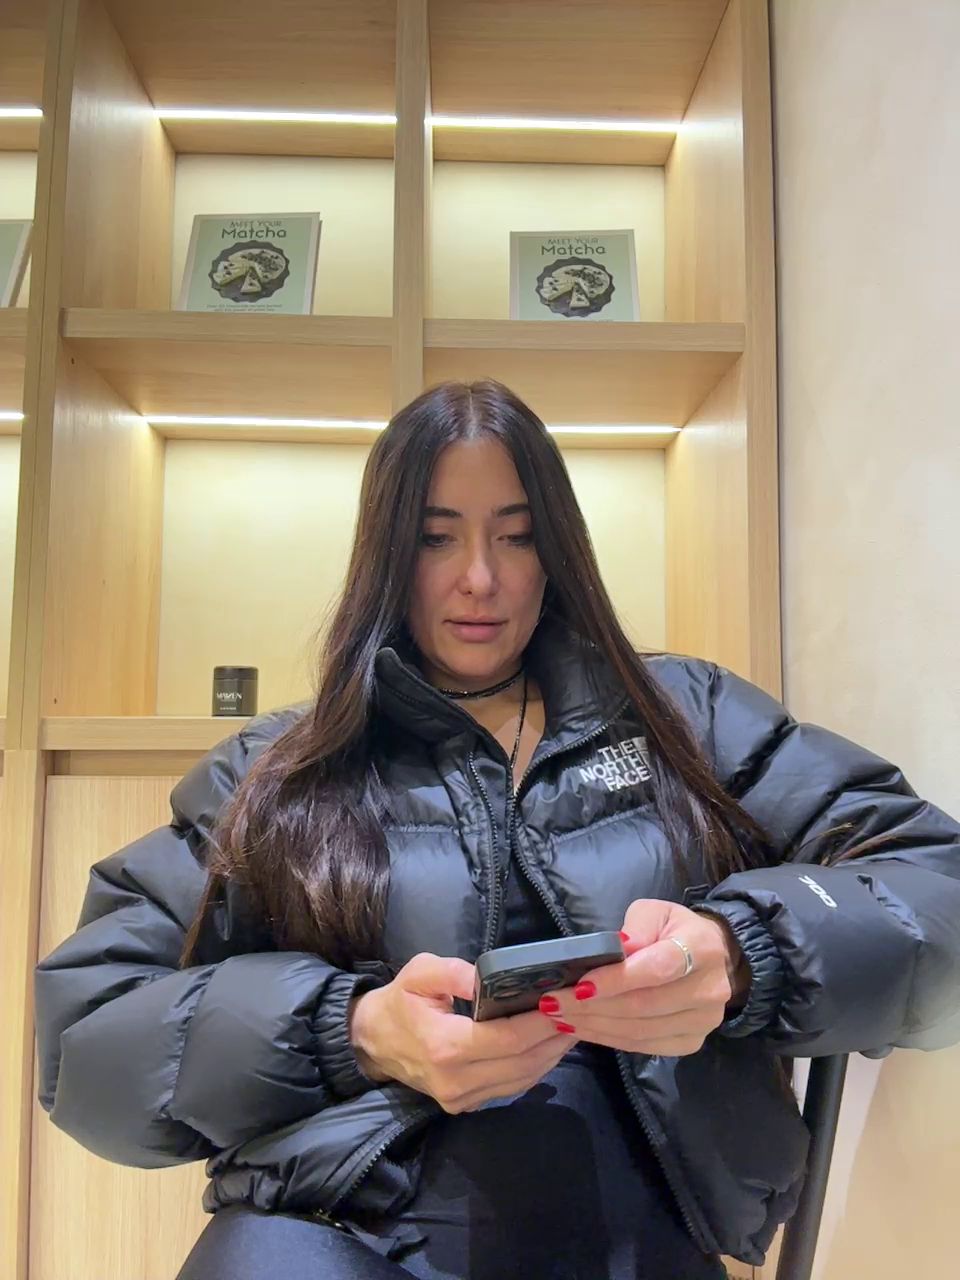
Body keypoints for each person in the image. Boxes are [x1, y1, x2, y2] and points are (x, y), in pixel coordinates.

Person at [34, 379, 960, 1280]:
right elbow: (87, 1040)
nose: (480, 579)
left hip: (638, 1233)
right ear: (388, 554)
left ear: (556, 550)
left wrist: (743, 954)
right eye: (436, 538)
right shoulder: (279, 769)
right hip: (340, 1230)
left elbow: (934, 884)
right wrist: (351, 1031)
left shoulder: (685, 716)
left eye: (516, 536)